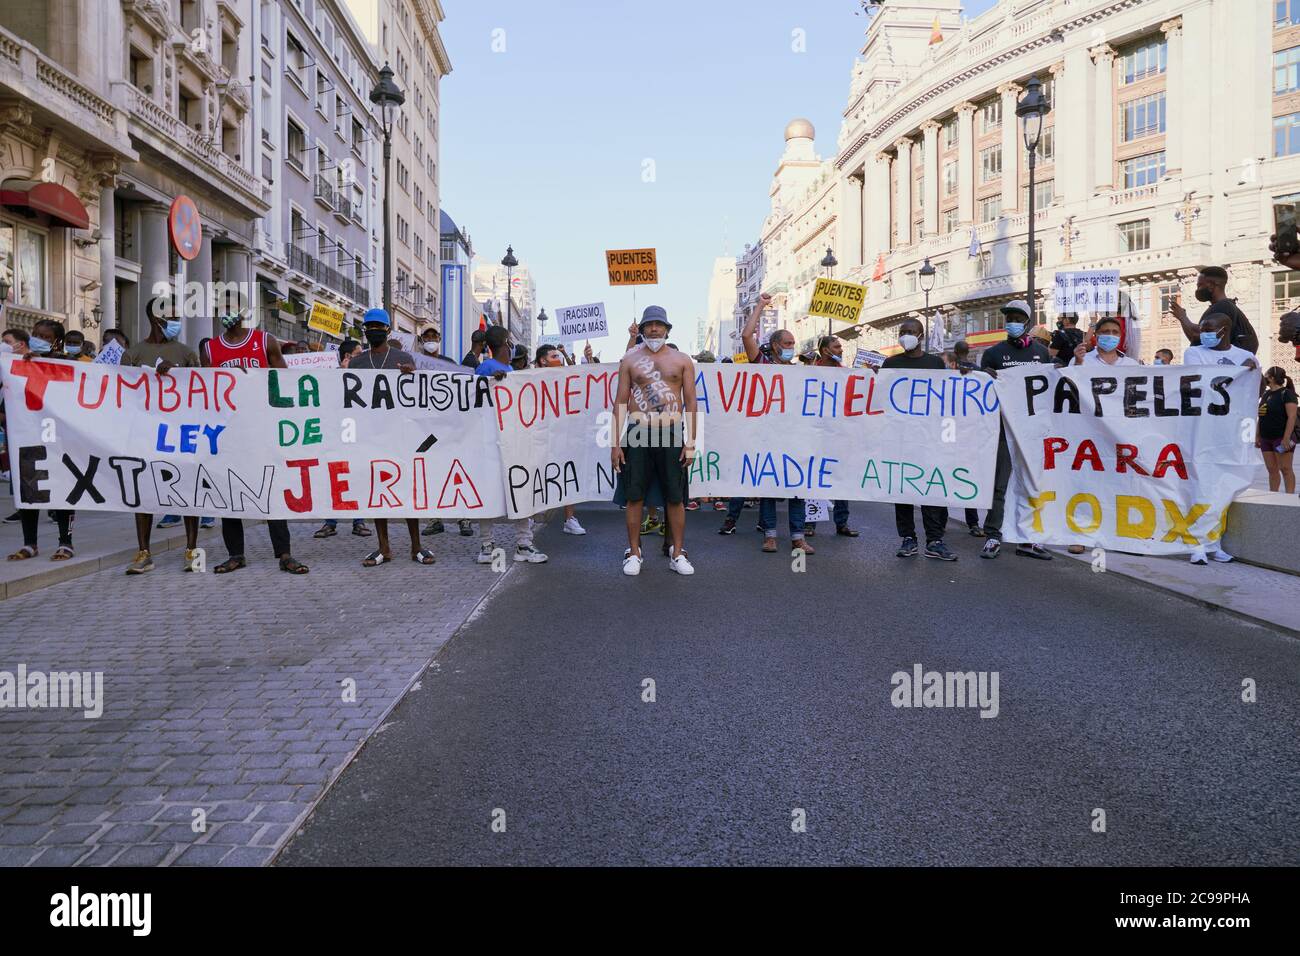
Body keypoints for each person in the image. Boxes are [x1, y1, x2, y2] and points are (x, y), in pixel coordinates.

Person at [196, 311, 309, 575]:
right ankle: (236, 554)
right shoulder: (210, 350)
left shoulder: (265, 341)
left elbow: (285, 381)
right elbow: (205, 390)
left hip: (263, 429)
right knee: (229, 494)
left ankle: (284, 554)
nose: (228, 314)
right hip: (229, 433)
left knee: (271, 490)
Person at [346, 309, 434, 566]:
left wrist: (411, 376)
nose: (373, 330)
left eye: (378, 326)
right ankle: (384, 547)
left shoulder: (402, 358)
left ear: (387, 330)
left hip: (400, 435)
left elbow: (417, 396)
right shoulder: (357, 362)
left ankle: (416, 545)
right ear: (365, 330)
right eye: (369, 326)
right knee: (376, 491)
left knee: (407, 489)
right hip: (370, 436)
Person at [612, 306, 696, 576]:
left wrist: (691, 441)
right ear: (643, 329)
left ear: (668, 329)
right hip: (638, 431)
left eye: (659, 324)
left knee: (675, 496)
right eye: (649, 325)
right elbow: (621, 402)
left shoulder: (682, 360)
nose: (654, 329)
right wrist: (615, 443)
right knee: (634, 495)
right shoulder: (630, 360)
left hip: (671, 432)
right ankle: (634, 552)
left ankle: (678, 553)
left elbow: (692, 402)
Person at [1181, 311, 1261, 565]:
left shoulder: (1246, 357)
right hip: (1202, 431)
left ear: (1224, 330)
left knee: (1224, 487)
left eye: (1208, 328)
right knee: (1201, 486)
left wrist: (1250, 372)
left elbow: (1254, 390)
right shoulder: (1195, 353)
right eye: (1202, 328)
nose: (1202, 333)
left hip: (1231, 433)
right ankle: (1197, 544)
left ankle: (1214, 543)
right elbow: (1201, 381)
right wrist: (1240, 371)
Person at [979, 300, 1053, 560]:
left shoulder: (1042, 354)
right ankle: (992, 534)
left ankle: (1027, 538)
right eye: (1008, 317)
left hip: (1032, 430)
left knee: (1031, 482)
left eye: (1017, 318)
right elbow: (981, 392)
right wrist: (982, 377)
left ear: (1027, 323)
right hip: (1002, 429)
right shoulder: (993, 353)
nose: (1012, 322)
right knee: (999, 484)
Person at [740, 293, 813, 555]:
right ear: (774, 345)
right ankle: (770, 535)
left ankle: (797, 538)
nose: (792, 346)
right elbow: (747, 337)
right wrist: (760, 305)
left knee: (798, 488)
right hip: (769, 436)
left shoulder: (801, 371)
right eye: (787, 342)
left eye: (794, 342)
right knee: (769, 488)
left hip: (795, 436)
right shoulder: (763, 364)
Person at [882, 318, 957, 561]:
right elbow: (881, 399)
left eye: (910, 332)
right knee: (903, 490)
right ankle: (908, 538)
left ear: (921, 335)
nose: (905, 335)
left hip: (929, 437)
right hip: (900, 438)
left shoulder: (935, 363)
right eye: (902, 332)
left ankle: (934, 540)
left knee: (931, 489)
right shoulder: (890, 363)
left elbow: (946, 397)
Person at [472, 325, 548, 564]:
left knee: (503, 490)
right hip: (500, 439)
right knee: (518, 488)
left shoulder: (510, 371)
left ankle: (489, 545)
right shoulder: (488, 369)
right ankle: (521, 544)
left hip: (504, 439)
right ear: (506, 343)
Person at [7, 319, 78, 562]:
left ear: (57, 341)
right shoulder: (22, 363)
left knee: (63, 493)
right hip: (30, 435)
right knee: (29, 491)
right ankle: (29, 543)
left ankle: (66, 542)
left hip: (60, 438)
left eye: (46, 337)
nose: (40, 339)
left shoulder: (69, 363)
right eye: (36, 334)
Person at [316, 340, 372, 539]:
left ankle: (359, 521)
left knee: (357, 476)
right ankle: (330, 522)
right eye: (358, 353)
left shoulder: (364, 376)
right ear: (347, 357)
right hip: (334, 435)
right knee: (333, 478)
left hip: (357, 434)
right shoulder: (329, 376)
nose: (362, 355)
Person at [805, 335, 858, 538]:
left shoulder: (845, 374)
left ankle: (841, 523)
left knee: (841, 478)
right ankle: (811, 522)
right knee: (814, 479)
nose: (841, 350)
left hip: (840, 435)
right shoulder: (810, 372)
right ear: (825, 350)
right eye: (837, 347)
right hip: (816, 434)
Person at [533, 344, 586, 535]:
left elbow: (579, 374)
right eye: (554, 355)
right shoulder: (530, 379)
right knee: (539, 474)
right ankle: (533, 516)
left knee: (567, 473)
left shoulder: (565, 376)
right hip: (540, 434)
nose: (559, 358)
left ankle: (569, 518)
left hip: (563, 434)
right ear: (543, 360)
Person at [1168, 266, 1259, 354]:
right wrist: (1182, 318)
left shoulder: (1223, 307)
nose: (1197, 290)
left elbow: (1196, 335)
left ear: (1211, 286)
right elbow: (1196, 338)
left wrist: (1182, 317)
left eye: (1200, 285)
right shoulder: (1224, 306)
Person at [946, 341, 984, 536]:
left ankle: (941, 520)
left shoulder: (948, 372)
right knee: (968, 476)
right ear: (968, 352)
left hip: (950, 430)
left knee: (945, 474)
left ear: (955, 352)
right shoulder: (978, 372)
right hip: (970, 431)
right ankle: (973, 524)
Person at [1258, 367, 1298, 494]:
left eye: (1266, 376)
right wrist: (1257, 435)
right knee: (1272, 470)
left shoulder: (1287, 394)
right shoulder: (1266, 394)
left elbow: (1292, 417)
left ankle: (1289, 497)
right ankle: (1273, 495)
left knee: (1285, 468)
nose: (1264, 378)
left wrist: (1286, 438)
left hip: (1281, 437)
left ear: (1272, 378)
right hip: (1266, 438)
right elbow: (1262, 415)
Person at [1072, 316, 1141, 367]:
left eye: (1115, 332)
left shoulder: (1131, 364)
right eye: (1106, 332)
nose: (1110, 335)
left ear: (1120, 336)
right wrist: (1078, 365)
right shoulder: (1080, 360)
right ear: (1096, 334)